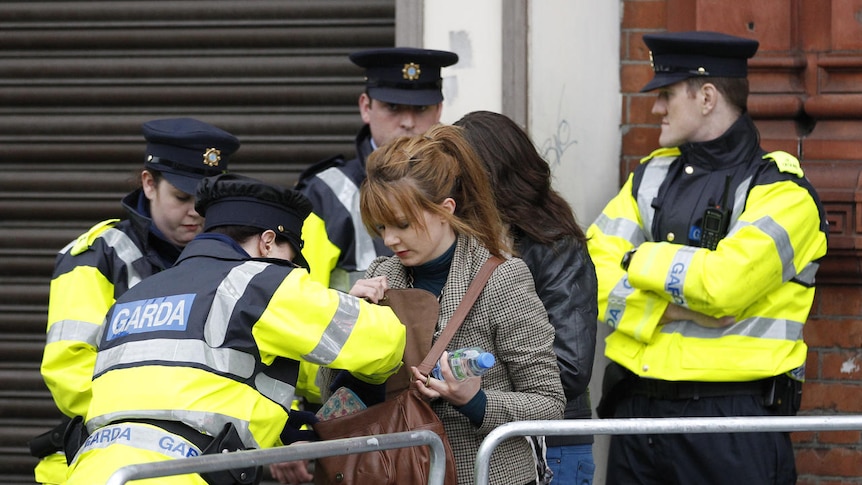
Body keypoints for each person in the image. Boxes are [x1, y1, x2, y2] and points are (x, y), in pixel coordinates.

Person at [586, 31, 828, 484]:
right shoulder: (649, 177)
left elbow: (722, 287)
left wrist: (638, 260)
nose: (656, 108)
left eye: (667, 94)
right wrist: (671, 308)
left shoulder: (784, 193)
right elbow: (591, 276)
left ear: (707, 97)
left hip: (731, 422)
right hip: (638, 414)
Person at [64, 173, 406, 485]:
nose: (292, 273)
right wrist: (355, 306)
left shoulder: (136, 296)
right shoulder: (261, 281)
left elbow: (201, 388)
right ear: (268, 243)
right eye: (292, 260)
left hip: (92, 472)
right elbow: (385, 342)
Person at [347, 124, 565, 485]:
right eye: (381, 226)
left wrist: (475, 401)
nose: (390, 239)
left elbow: (549, 403)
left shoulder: (501, 277)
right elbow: (338, 396)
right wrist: (347, 325)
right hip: (399, 473)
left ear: (446, 209)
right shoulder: (379, 276)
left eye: (402, 223)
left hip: (486, 475)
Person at [34, 117, 240, 485]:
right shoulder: (97, 255)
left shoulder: (232, 259)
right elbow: (70, 371)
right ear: (149, 183)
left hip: (202, 464)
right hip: (107, 461)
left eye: (207, 199)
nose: (197, 212)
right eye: (182, 196)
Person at [294, 46, 458, 406]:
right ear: (366, 107)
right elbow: (298, 309)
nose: (408, 122)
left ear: (440, 111)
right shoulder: (327, 194)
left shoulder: (457, 187)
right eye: (393, 107)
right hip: (347, 404)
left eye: (421, 109)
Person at [455, 110, 598, 485]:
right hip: (480, 439)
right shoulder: (460, 245)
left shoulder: (556, 247)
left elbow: (569, 367)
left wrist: (470, 392)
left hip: (553, 445)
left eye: (460, 178)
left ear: (491, 177)